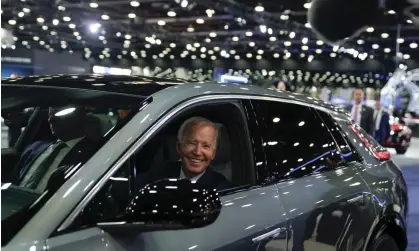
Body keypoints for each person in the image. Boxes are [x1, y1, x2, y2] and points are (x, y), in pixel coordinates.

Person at [11, 106, 96, 192]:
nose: (50, 119)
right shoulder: (34, 147)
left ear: (77, 118)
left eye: (58, 114)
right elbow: (13, 180)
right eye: (50, 114)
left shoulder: (94, 154)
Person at [155, 117, 230, 191]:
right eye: (192, 143)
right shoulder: (161, 174)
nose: (197, 152)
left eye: (206, 146)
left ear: (213, 154)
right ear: (178, 147)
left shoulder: (222, 188)